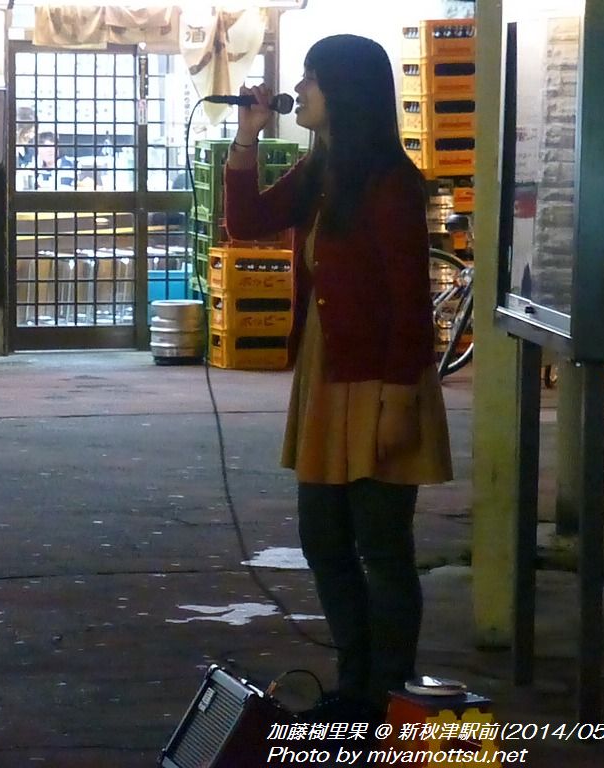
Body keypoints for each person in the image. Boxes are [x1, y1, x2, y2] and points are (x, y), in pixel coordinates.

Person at [224, 34, 453, 722]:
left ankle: (389, 691)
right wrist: (246, 137)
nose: (300, 90)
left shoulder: (389, 182)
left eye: (312, 78)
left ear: (344, 91)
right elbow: (246, 222)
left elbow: (410, 302)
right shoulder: (322, 168)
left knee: (382, 545)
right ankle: (356, 684)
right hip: (327, 378)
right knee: (323, 539)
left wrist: (398, 398)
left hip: (381, 379)